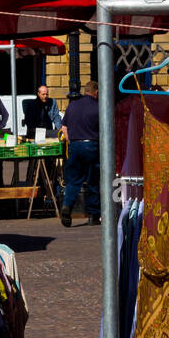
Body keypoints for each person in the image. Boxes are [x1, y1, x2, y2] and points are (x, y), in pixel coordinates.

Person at [59, 80, 100, 228]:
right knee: (92, 181)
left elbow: (64, 127)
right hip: (92, 146)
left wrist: (72, 141)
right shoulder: (98, 107)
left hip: (75, 145)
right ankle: (93, 215)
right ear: (96, 92)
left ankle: (67, 206)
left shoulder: (73, 106)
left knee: (73, 180)